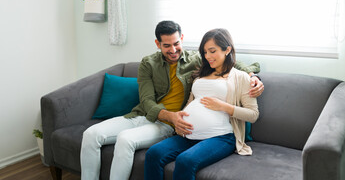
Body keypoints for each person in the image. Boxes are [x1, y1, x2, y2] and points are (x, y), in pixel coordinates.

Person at [80, 21, 263, 180]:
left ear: (182, 39)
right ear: (157, 44)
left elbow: (231, 63)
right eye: (167, 45)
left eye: (176, 43)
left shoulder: (202, 62)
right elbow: (148, 100)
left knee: (132, 142)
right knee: (93, 135)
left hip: (205, 131)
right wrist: (176, 118)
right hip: (155, 118)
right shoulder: (155, 64)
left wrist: (252, 76)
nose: (173, 49)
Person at [144, 28, 259, 180]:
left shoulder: (241, 77)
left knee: (185, 161)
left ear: (227, 49)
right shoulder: (201, 74)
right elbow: (191, 103)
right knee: (153, 154)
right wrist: (180, 120)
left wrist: (223, 106)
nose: (208, 56)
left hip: (221, 136)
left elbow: (253, 114)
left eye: (212, 51)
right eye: (205, 52)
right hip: (188, 134)